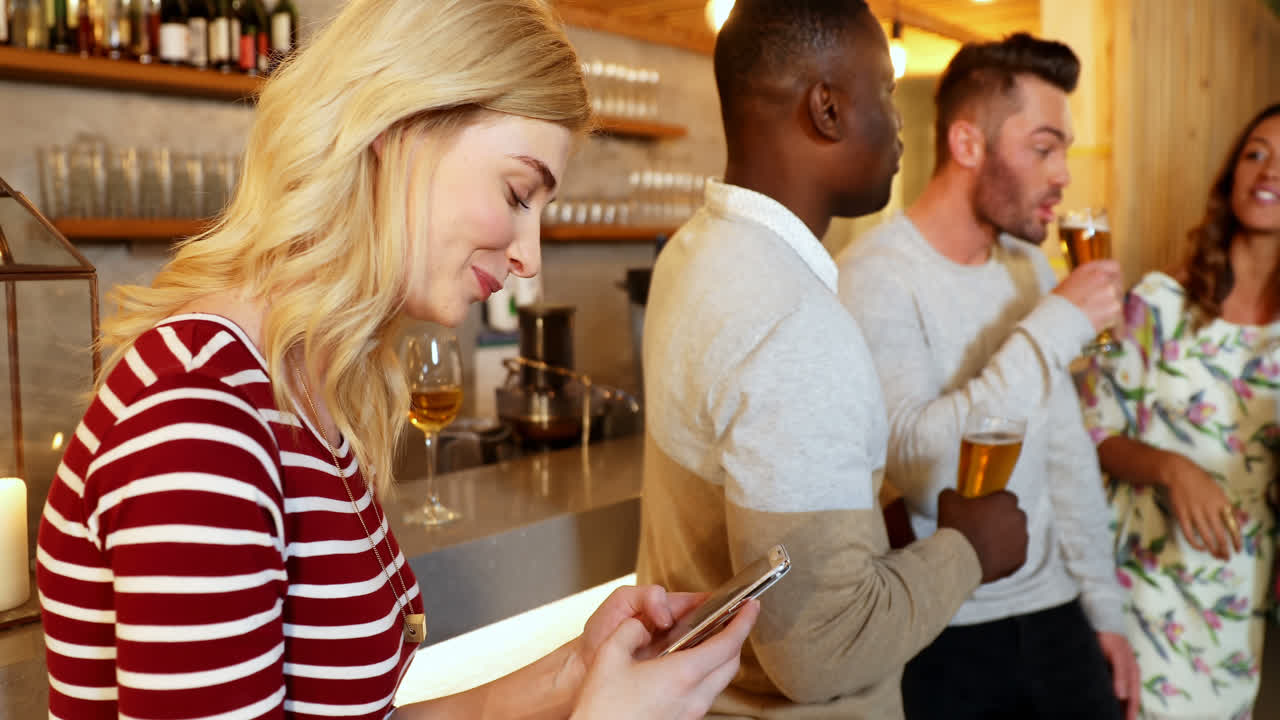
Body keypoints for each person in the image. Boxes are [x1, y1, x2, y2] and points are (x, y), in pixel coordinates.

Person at [34, 1, 759, 718]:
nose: (528, 256)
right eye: (517, 193)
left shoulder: (306, 389)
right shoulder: (200, 416)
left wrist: (575, 674)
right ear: (399, 125)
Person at [635, 2, 1029, 717]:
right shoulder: (795, 324)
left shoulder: (692, 251)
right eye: (886, 92)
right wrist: (972, 547)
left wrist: (879, 518)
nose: (900, 122)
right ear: (827, 108)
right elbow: (821, 646)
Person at [838, 33, 1139, 720]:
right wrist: (1055, 326)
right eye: (1043, 148)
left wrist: (1105, 609)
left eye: (1064, 150)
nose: (1062, 175)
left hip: (1057, 612)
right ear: (968, 144)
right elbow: (921, 467)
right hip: (945, 628)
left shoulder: (1026, 267)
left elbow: (1064, 450)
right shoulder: (874, 277)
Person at [1075, 103, 1280, 720]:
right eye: (1256, 153)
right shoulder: (1161, 302)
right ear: (1232, 175)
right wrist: (1172, 468)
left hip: (1238, 594)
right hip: (1143, 581)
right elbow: (1092, 430)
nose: (1269, 169)